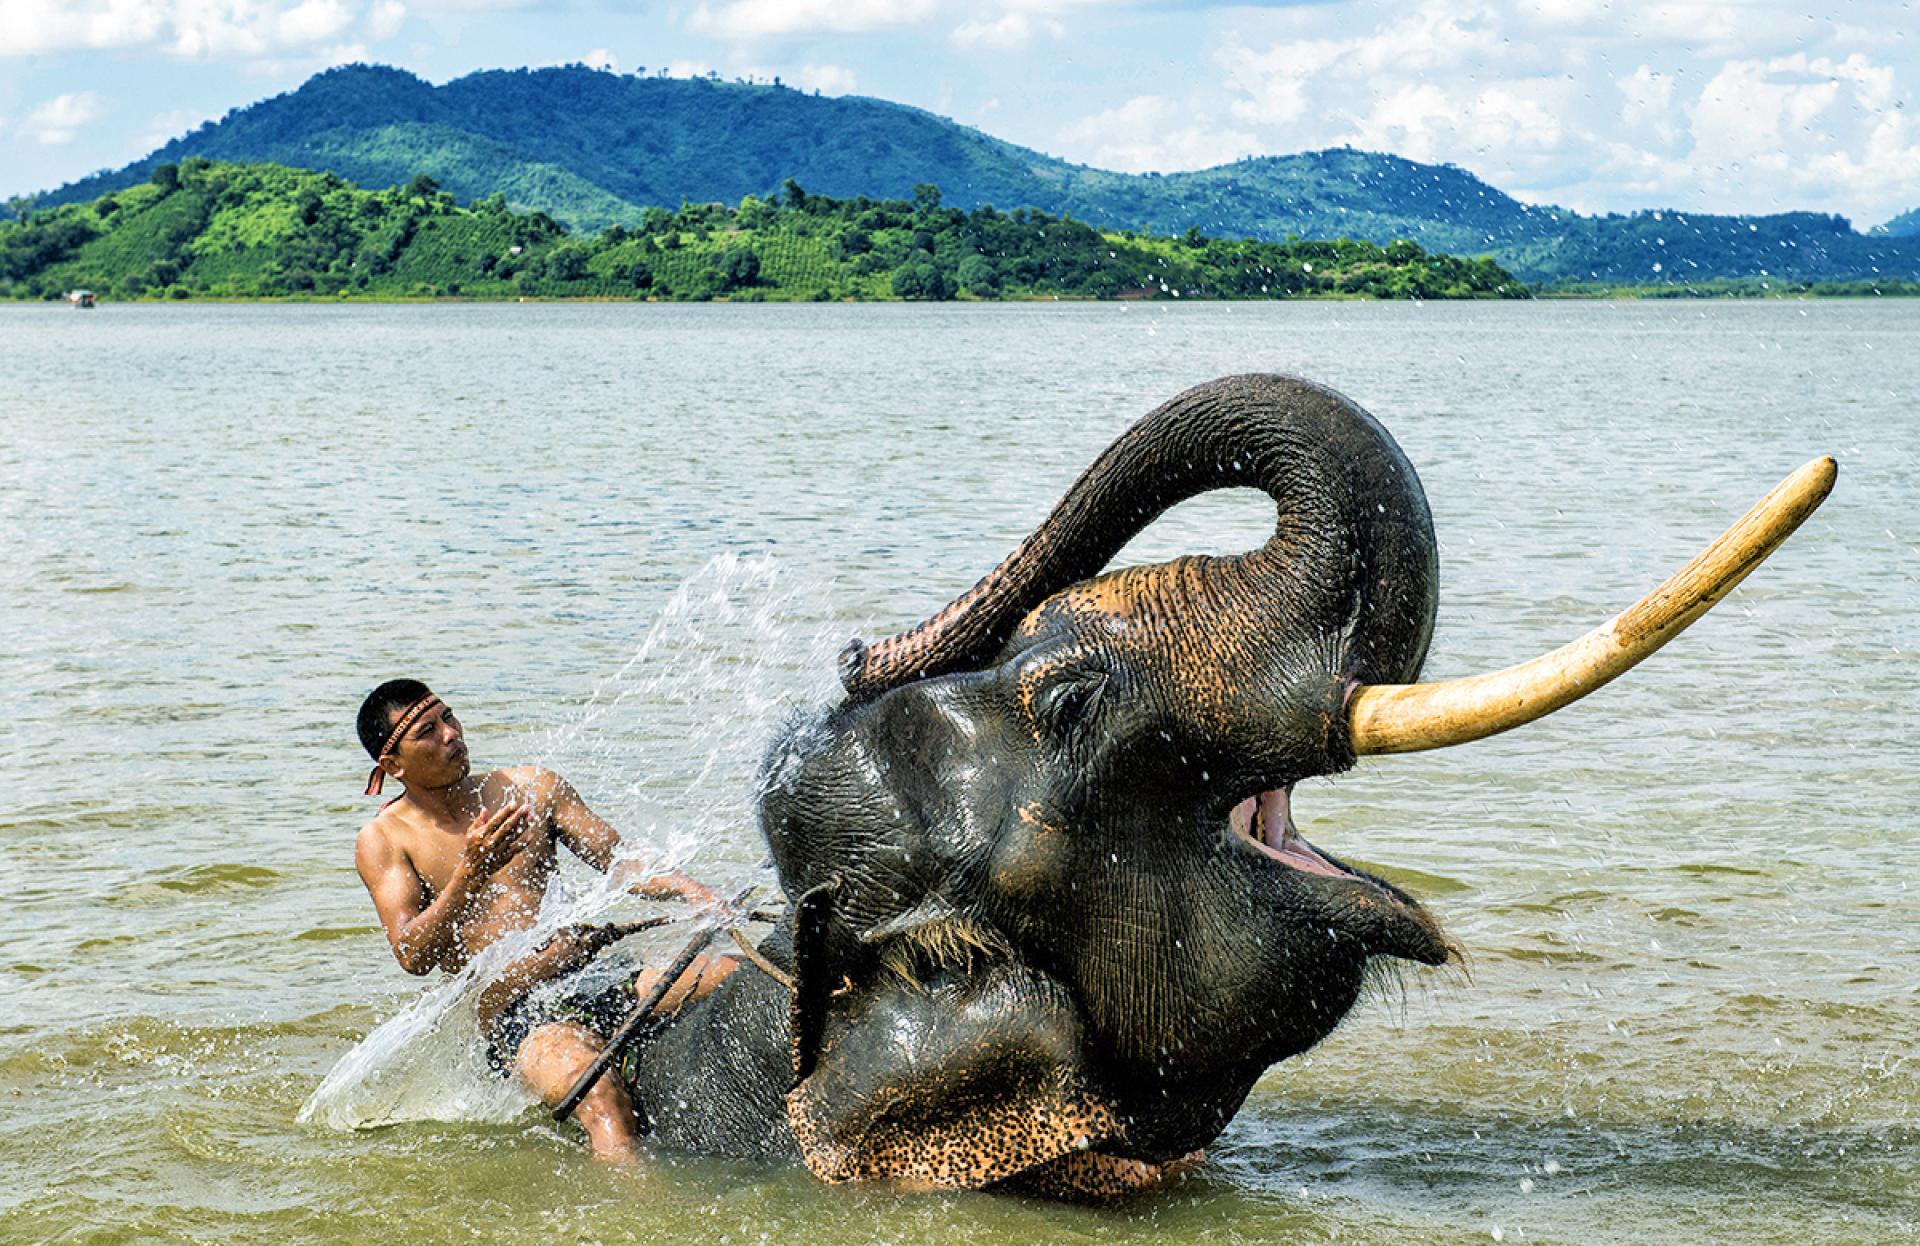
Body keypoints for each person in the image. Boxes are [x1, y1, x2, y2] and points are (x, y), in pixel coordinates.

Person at [352, 678, 737, 1158]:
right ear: (392, 765)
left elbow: (618, 860)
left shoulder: (530, 788)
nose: (451, 735)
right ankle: (641, 1222)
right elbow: (412, 954)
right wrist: (469, 875)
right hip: (521, 1015)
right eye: (427, 732)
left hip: (599, 976)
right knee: (601, 1099)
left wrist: (694, 892)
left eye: (448, 717)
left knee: (742, 976)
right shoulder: (384, 840)